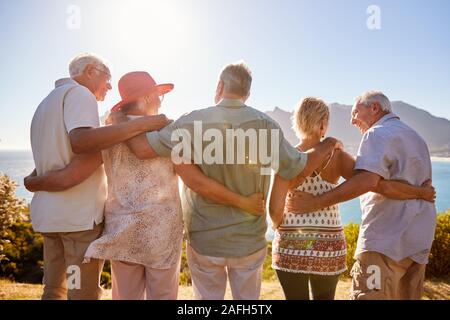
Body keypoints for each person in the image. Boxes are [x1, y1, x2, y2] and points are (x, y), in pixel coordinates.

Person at [110, 61, 342, 300]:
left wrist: (120, 121)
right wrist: (327, 143)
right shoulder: (266, 125)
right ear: (247, 93)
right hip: (248, 240)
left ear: (219, 86)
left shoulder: (191, 121)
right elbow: (297, 165)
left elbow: (142, 149)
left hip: (204, 240)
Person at [26, 71, 265, 300]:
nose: (160, 103)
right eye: (158, 97)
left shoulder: (107, 133)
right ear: (149, 97)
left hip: (122, 233)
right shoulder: (168, 132)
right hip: (161, 234)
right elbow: (193, 180)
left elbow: (73, 174)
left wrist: (35, 180)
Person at [27, 53, 171, 300]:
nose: (109, 86)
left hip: (50, 218)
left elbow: (48, 161)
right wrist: (144, 124)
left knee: (54, 290)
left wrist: (34, 181)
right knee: (81, 292)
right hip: (77, 221)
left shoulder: (45, 104)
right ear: (91, 71)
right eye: (107, 78)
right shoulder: (80, 94)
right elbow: (82, 144)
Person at [269, 97, 436, 300]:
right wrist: (419, 192)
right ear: (323, 124)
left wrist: (281, 228)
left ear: (297, 122)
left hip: (291, 244)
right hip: (328, 249)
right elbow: (374, 183)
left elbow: (275, 212)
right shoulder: (337, 156)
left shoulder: (287, 158)